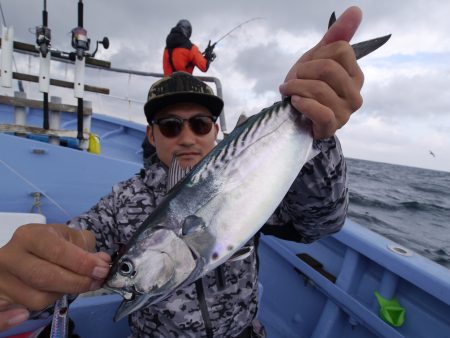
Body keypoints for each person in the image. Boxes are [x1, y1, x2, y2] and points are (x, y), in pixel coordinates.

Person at [0, 6, 364, 337]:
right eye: (171, 126)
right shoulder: (123, 201)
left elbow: (320, 223)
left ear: (218, 131)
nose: (187, 138)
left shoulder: (250, 176)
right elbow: (77, 243)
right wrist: (26, 278)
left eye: (201, 124)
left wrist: (318, 134)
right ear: (151, 134)